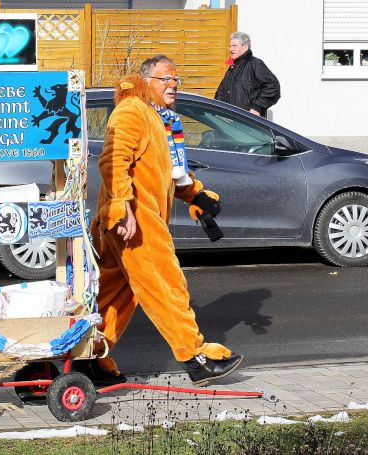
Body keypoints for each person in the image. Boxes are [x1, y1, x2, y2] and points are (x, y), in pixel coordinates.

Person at [86, 55, 243, 387]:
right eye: (165, 79)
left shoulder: (161, 118)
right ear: (146, 81)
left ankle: (88, 359)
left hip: (135, 218)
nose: (173, 85)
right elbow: (113, 161)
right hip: (135, 219)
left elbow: (168, 173)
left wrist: (197, 196)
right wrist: (122, 207)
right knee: (166, 285)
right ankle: (195, 357)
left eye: (176, 79)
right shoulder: (133, 111)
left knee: (115, 296)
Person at [215, 31, 280, 117]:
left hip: (247, 122)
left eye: (234, 46)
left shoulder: (255, 64)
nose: (231, 49)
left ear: (245, 47)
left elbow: (273, 87)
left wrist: (257, 108)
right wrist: (218, 112)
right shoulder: (232, 68)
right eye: (230, 46)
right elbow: (220, 93)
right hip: (229, 121)